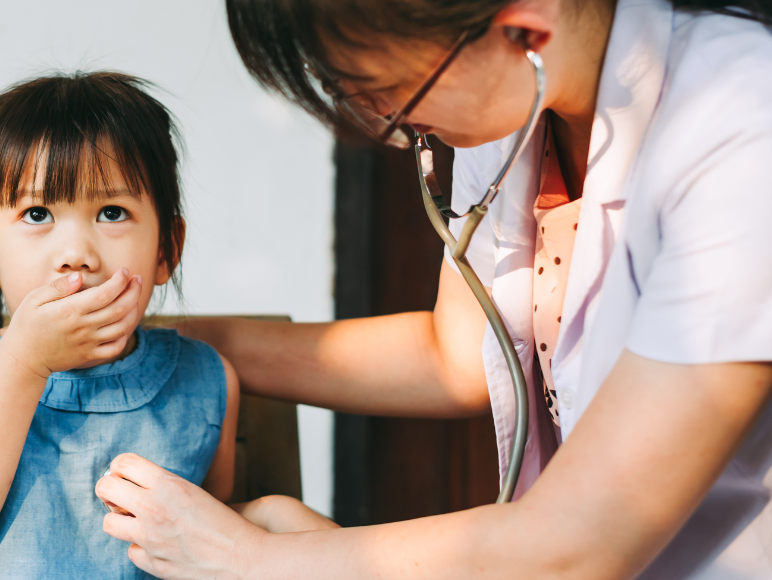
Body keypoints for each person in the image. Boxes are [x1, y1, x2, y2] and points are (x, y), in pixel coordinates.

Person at [94, 0, 772, 578]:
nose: (383, 118)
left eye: (389, 92)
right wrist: (171, 344)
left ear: (524, 31)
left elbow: (583, 541)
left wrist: (248, 559)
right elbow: (457, 354)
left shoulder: (743, 127)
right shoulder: (510, 109)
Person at [0, 72, 255, 580]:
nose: (76, 254)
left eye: (111, 211)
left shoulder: (204, 382)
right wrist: (23, 361)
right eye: (37, 213)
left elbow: (206, 552)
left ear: (167, 248)